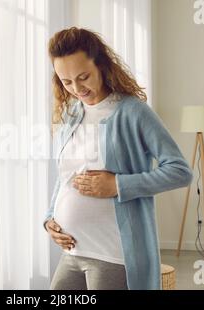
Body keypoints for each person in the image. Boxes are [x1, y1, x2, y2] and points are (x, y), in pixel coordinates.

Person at [43, 27, 193, 290]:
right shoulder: (72, 115)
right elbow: (66, 177)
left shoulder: (132, 112)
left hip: (113, 254)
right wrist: (49, 219)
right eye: (66, 82)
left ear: (100, 64)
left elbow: (180, 171)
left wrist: (118, 185)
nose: (77, 88)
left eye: (84, 77)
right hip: (73, 252)